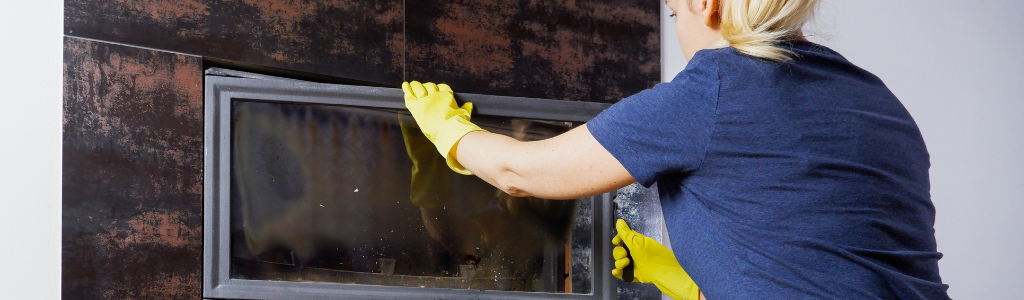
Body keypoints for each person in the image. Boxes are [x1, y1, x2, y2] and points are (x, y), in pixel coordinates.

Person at [401, 0, 951, 298]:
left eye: (672, 15)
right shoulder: (876, 99)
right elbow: (823, 255)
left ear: (705, 4)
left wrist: (447, 132)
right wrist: (689, 278)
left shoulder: (712, 89)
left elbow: (519, 172)